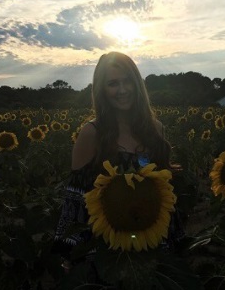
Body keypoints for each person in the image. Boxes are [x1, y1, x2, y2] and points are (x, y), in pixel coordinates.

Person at [54, 51, 185, 262]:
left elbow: (163, 191)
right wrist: (72, 253)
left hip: (152, 240)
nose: (122, 90)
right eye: (113, 83)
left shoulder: (155, 130)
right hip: (106, 247)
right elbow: (75, 201)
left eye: (127, 82)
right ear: (102, 90)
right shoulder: (91, 133)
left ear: (137, 85)